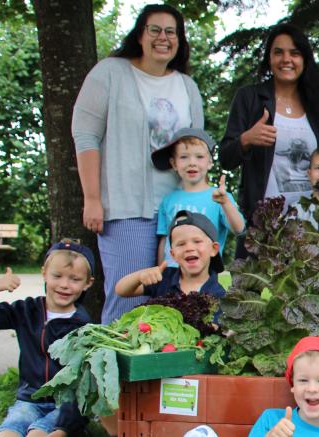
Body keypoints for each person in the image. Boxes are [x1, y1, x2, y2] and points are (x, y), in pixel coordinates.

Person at [73, 4, 204, 323]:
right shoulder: (110, 73)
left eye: (171, 31)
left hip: (178, 212)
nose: (163, 37)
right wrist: (92, 199)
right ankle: (112, 373)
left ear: (180, 40)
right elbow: (85, 135)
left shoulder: (187, 86)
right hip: (126, 208)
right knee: (127, 303)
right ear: (140, 35)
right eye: (155, 30)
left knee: (178, 304)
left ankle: (168, 375)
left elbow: (197, 147)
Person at [219, 22, 319, 259]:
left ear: (304, 59)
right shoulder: (250, 97)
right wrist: (246, 139)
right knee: (252, 292)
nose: (286, 59)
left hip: (309, 226)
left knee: (308, 294)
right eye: (278, 52)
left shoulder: (315, 104)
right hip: (263, 226)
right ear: (269, 58)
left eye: (294, 53)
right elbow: (225, 157)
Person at [0, 240, 97, 437]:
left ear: (87, 283)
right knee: (6, 435)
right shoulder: (26, 310)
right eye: (57, 276)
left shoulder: (83, 326)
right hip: (29, 400)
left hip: (65, 404)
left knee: (37, 434)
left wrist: (64, 428)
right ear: (44, 273)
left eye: (75, 279)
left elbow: (84, 384)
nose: (64, 285)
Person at [151, 128, 245, 267]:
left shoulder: (220, 197)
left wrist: (225, 203)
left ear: (210, 162)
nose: (192, 163)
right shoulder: (168, 200)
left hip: (204, 275)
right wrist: (161, 273)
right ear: (174, 163)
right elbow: (164, 241)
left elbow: (239, 229)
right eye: (184, 157)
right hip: (172, 274)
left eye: (199, 157)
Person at [115, 211, 226, 299]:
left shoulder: (218, 293)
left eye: (197, 241)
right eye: (181, 244)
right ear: (173, 254)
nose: (189, 248)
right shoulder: (164, 278)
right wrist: (140, 276)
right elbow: (121, 290)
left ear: (214, 249)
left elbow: (214, 327)